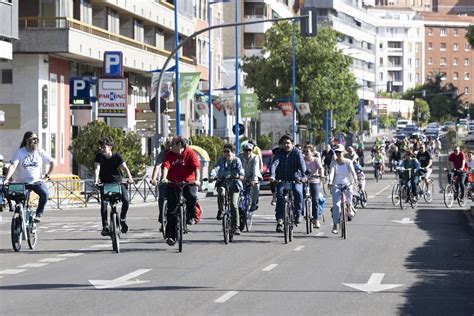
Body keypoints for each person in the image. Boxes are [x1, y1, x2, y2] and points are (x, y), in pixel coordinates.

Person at [3, 131, 55, 222]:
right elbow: (13, 166)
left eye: (36, 139)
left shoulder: (39, 151)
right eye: (33, 139)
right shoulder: (20, 152)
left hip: (36, 182)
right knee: (19, 201)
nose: (35, 141)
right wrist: (7, 179)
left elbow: (52, 163)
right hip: (22, 183)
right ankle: (19, 218)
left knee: (45, 194)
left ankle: (38, 214)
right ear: (27, 140)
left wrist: (47, 176)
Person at [161, 136, 200, 245]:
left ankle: (190, 216)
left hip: (188, 182)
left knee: (191, 197)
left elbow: (196, 167)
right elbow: (166, 166)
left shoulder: (190, 153)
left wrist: (197, 180)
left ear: (178, 145)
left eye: (172, 144)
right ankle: (171, 237)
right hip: (173, 183)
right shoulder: (170, 154)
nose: (170, 146)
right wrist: (164, 178)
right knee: (171, 211)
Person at [94, 136, 134, 235]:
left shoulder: (117, 156)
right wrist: (95, 181)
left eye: (104, 147)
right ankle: (105, 226)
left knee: (125, 200)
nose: (102, 149)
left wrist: (130, 178)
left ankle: (123, 220)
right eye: (101, 147)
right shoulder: (99, 156)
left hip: (118, 183)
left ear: (110, 147)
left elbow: (125, 168)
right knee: (103, 204)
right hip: (105, 184)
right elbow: (97, 169)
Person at [270, 134, 306, 232]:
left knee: (298, 193)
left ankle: (297, 215)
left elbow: (302, 166)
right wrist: (272, 175)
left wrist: (304, 176)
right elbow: (274, 164)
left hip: (296, 179)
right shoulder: (279, 153)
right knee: (280, 197)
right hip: (282, 179)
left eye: (288, 143)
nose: (286, 145)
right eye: (284, 143)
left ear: (292, 144)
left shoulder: (297, 153)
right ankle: (280, 221)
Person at [210, 143, 244, 235]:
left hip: (235, 184)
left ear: (232, 152)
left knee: (233, 204)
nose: (226, 153)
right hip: (223, 183)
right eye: (224, 151)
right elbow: (216, 168)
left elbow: (240, 169)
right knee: (221, 192)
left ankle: (236, 227)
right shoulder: (221, 160)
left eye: (228, 151)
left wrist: (241, 175)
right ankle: (221, 210)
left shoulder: (236, 160)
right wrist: (212, 176)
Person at [328, 144, 358, 234]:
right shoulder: (333, 162)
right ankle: (335, 225)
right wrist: (330, 181)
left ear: (343, 152)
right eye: (336, 152)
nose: (338, 154)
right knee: (336, 206)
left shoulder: (348, 162)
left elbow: (353, 172)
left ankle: (349, 205)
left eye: (340, 152)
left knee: (350, 191)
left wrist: (355, 180)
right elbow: (331, 173)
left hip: (347, 184)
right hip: (336, 185)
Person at [150, 137, 172, 232]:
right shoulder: (163, 154)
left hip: (175, 180)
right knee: (162, 199)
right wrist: (154, 179)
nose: (170, 148)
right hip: (164, 180)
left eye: (172, 146)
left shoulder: (177, 154)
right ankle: (162, 219)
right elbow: (157, 167)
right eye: (169, 146)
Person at [303, 144, 324, 228]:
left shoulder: (316, 160)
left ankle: (316, 219)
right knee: (300, 197)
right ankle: (302, 213)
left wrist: (321, 175)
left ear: (312, 152)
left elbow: (321, 168)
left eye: (307, 151)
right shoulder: (302, 160)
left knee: (315, 200)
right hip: (304, 181)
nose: (305, 153)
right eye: (304, 151)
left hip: (314, 181)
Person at [237, 142, 261, 216]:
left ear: (252, 150)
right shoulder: (238, 157)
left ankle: (254, 203)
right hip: (242, 177)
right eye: (246, 150)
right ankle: (238, 206)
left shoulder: (255, 157)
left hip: (252, 176)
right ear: (243, 150)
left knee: (256, 186)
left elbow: (255, 170)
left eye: (249, 150)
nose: (247, 152)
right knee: (236, 188)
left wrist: (254, 180)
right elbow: (236, 168)